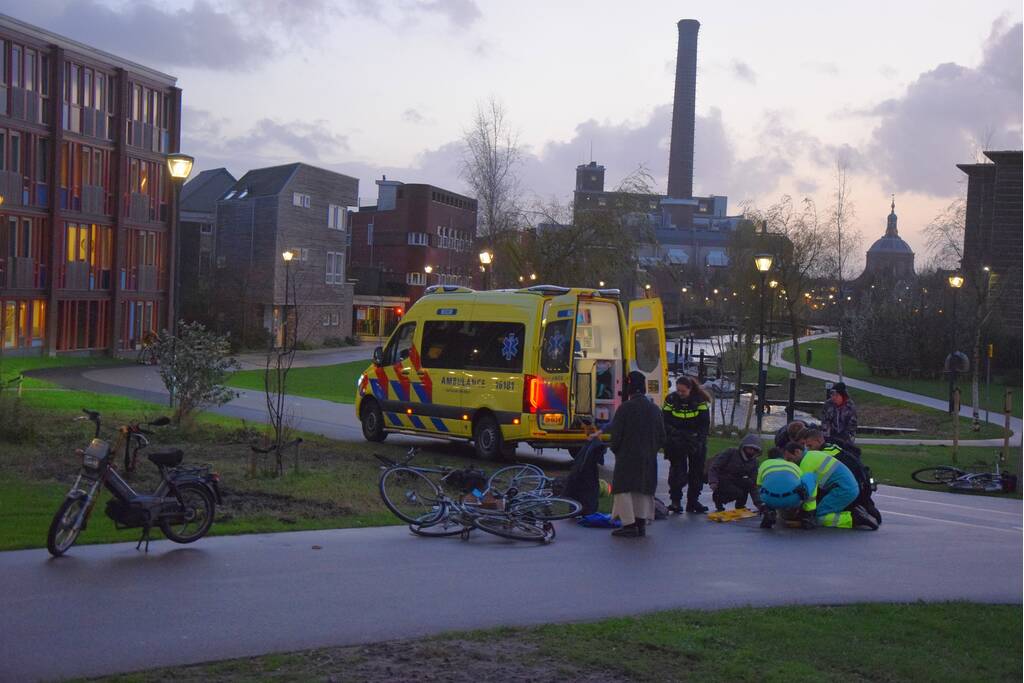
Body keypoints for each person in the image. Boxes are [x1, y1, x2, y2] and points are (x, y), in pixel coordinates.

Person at [598, 370, 666, 538]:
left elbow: (617, 435)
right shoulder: (654, 409)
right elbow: (662, 436)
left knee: (624, 490)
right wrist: (652, 449)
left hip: (627, 456)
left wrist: (617, 449)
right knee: (643, 489)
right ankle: (641, 522)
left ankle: (629, 524)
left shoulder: (625, 408)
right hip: (648, 456)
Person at [782, 441, 878, 530]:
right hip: (846, 488)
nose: (790, 463)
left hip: (843, 490)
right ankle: (857, 513)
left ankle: (853, 519)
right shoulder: (811, 455)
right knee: (824, 511)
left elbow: (808, 491)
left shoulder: (806, 464)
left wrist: (806, 514)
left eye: (790, 459)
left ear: (797, 452)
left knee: (819, 517)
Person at [797, 428, 880, 525]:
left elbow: (814, 485)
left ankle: (855, 518)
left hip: (849, 491)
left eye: (809, 445)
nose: (807, 449)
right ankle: (863, 511)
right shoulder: (834, 448)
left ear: (819, 440)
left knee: (819, 515)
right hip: (861, 487)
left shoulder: (821, 456)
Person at [662, 376, 711, 514]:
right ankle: (675, 501)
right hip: (676, 440)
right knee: (678, 472)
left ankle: (693, 501)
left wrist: (699, 440)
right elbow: (664, 420)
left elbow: (704, 423)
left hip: (695, 440)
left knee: (697, 472)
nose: (680, 394)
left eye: (683, 391)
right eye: (678, 390)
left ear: (690, 389)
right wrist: (675, 434)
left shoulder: (699, 401)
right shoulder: (671, 399)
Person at [756, 449, 815, 529]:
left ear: (769, 458)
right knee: (810, 477)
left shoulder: (765, 464)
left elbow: (759, 485)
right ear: (783, 457)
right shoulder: (793, 465)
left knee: (763, 488)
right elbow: (802, 484)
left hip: (770, 499)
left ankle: (769, 511)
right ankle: (807, 515)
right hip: (792, 499)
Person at [708, 434, 763, 512]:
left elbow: (753, 484)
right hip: (722, 479)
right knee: (737, 492)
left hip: (737, 479)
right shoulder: (731, 452)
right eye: (750, 448)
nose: (752, 451)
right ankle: (718, 500)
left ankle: (740, 506)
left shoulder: (754, 462)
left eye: (755, 449)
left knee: (748, 482)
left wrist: (759, 504)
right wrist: (713, 481)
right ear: (744, 446)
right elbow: (715, 467)